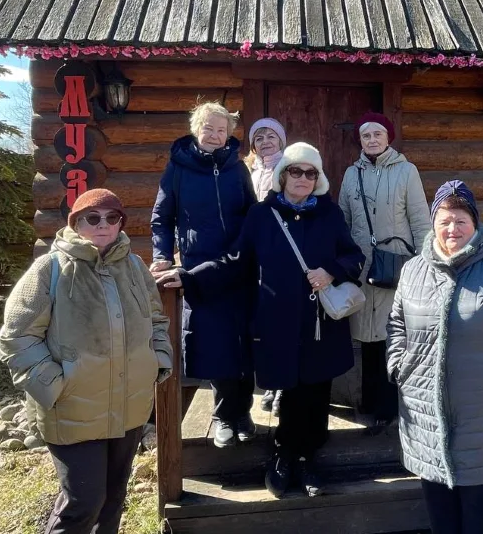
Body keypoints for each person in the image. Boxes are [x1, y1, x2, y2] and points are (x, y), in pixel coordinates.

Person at [157, 143, 365, 499]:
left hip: (318, 325)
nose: (302, 178)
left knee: (315, 392)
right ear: (283, 175)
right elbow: (235, 260)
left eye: (310, 172)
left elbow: (353, 255)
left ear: (318, 179)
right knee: (287, 388)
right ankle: (284, 457)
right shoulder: (262, 215)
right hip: (278, 323)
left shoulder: (330, 214)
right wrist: (189, 276)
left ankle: (308, 460)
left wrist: (330, 272)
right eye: (296, 171)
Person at [0, 189, 173, 534]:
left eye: (112, 217)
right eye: (92, 218)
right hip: (74, 407)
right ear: (75, 223)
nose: (103, 224)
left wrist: (158, 360)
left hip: (128, 405)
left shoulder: (135, 266)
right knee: (83, 502)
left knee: (113, 498)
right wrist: (55, 383)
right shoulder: (49, 269)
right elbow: (16, 337)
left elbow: (156, 319)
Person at [386, 180, 483, 534]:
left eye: (460, 220)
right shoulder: (413, 270)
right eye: (444, 220)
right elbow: (396, 323)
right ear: (433, 224)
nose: (452, 229)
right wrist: (399, 367)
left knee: (479, 517)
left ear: (475, 223)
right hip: (424, 411)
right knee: (441, 518)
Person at [149, 102, 257, 448]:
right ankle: (224, 415)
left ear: (229, 134)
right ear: (196, 128)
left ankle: (243, 411)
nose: (214, 135)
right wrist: (162, 256)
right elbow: (162, 217)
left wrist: (247, 251)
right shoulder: (178, 168)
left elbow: (251, 213)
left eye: (221, 129)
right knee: (215, 341)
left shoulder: (237, 169)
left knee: (243, 339)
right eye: (208, 128)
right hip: (199, 269)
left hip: (239, 265)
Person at [339, 112, 430, 434]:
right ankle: (368, 398)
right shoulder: (352, 175)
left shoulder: (407, 172)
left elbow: (420, 220)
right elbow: (344, 222)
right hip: (363, 270)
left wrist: (424, 264)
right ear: (360, 141)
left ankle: (389, 404)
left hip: (396, 266)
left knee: (392, 335)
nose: (372, 140)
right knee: (368, 339)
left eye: (378, 134)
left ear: (388, 137)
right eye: (366, 135)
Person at [244, 117, 288, 415]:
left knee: (283, 324)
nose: (265, 141)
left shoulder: (291, 168)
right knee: (261, 326)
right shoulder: (246, 171)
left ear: (281, 140)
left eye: (271, 135)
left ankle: (282, 387)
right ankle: (268, 383)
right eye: (258, 137)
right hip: (252, 258)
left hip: (284, 257)